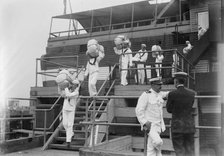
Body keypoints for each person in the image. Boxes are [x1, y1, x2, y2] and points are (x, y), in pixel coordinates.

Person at [136, 77, 169, 156]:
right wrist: (144, 122)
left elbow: (169, 94)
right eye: (158, 85)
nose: (160, 86)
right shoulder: (146, 95)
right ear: (152, 85)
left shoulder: (160, 94)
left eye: (161, 85)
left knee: (151, 149)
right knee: (158, 142)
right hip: (149, 125)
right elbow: (139, 110)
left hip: (159, 125)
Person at [166, 72, 195, 156]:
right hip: (189, 126)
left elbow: (169, 109)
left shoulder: (172, 94)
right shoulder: (192, 93)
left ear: (176, 81)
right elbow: (190, 106)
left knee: (179, 151)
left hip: (177, 127)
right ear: (184, 81)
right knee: (190, 151)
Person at [61, 79, 80, 148]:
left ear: (77, 85)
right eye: (72, 84)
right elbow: (62, 95)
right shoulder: (68, 90)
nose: (72, 85)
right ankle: (71, 133)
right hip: (65, 109)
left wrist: (65, 88)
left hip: (71, 110)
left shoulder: (76, 92)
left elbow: (68, 95)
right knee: (64, 124)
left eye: (74, 84)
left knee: (70, 125)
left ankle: (68, 141)